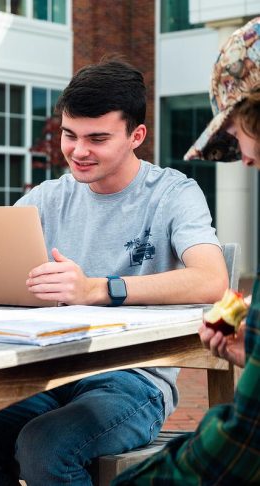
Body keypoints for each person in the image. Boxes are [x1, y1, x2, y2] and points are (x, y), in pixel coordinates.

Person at [0, 59, 228, 485]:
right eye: (69, 135)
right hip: (50, 372)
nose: (78, 151)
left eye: (97, 138)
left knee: (46, 446)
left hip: (134, 380)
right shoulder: (49, 196)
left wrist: (97, 288)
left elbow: (212, 280)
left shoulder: (173, 193)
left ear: (136, 136)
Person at [114, 17, 260, 484]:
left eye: (237, 134)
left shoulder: (173, 191)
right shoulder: (49, 194)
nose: (246, 157)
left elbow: (241, 444)